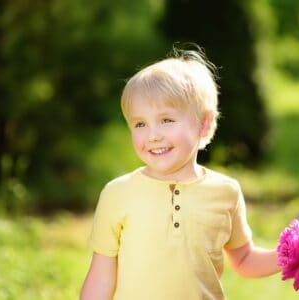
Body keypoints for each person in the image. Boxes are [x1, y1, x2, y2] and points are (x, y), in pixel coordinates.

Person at [80, 47, 280, 300]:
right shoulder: (117, 193)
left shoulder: (226, 192)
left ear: (203, 124)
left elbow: (244, 259)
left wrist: (296, 255)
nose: (153, 135)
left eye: (166, 120)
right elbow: (101, 276)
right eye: (140, 123)